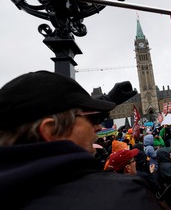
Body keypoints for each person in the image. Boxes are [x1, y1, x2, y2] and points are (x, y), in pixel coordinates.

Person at [0, 71, 161, 210]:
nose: (98, 127)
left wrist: (107, 101)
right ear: (51, 130)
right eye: (91, 118)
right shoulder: (124, 197)